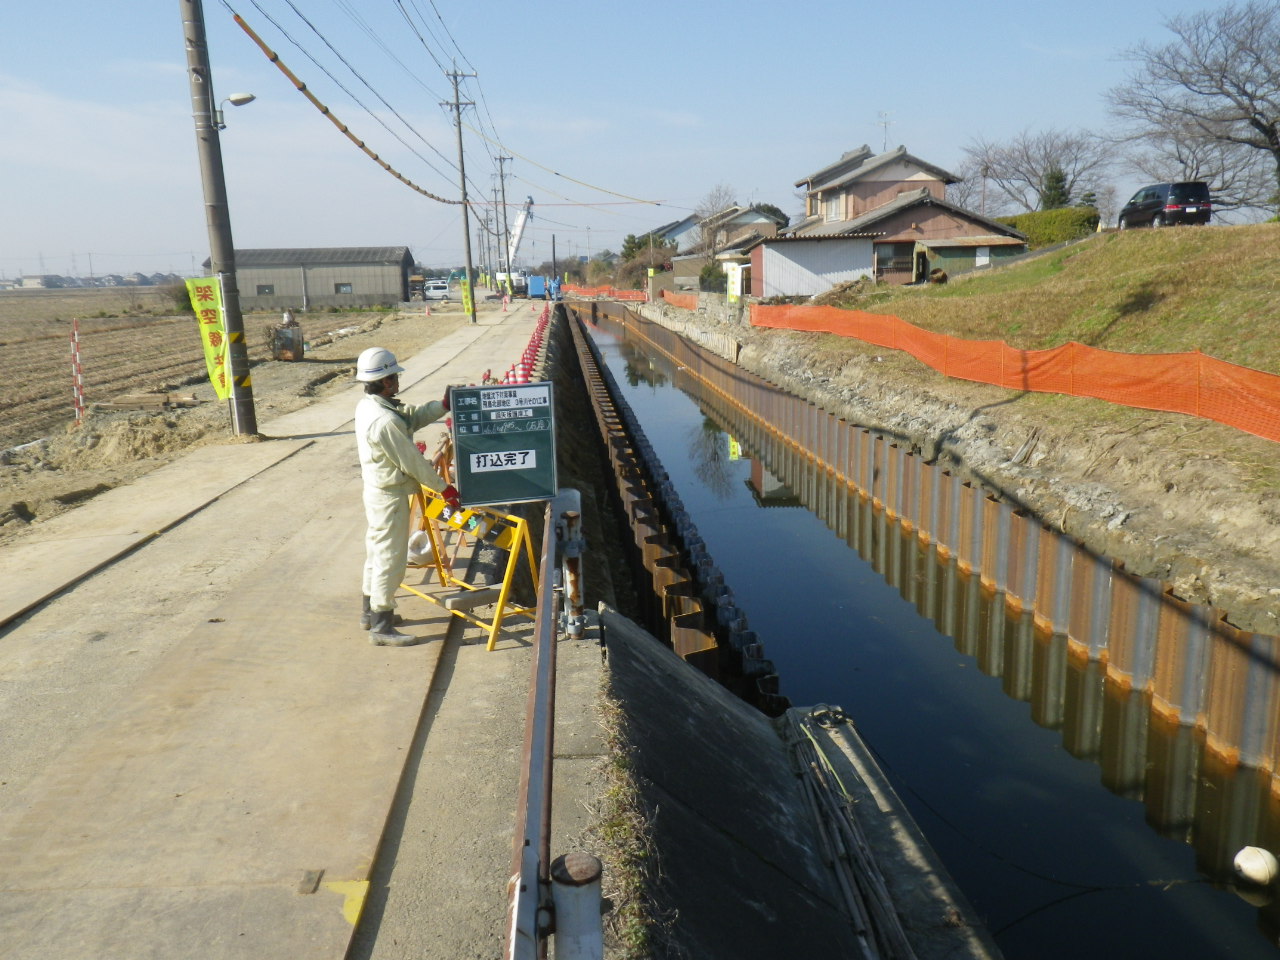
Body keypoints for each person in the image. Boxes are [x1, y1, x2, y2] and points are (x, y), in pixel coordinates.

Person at [354, 347, 459, 645]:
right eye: (395, 378)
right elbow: (412, 462)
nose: (398, 382)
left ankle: (369, 612)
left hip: (378, 491)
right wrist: (445, 488)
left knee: (376, 552)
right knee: (391, 557)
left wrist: (441, 405)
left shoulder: (372, 406)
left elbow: (410, 417)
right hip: (389, 496)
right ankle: (382, 625)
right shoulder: (384, 422)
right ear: (386, 381)